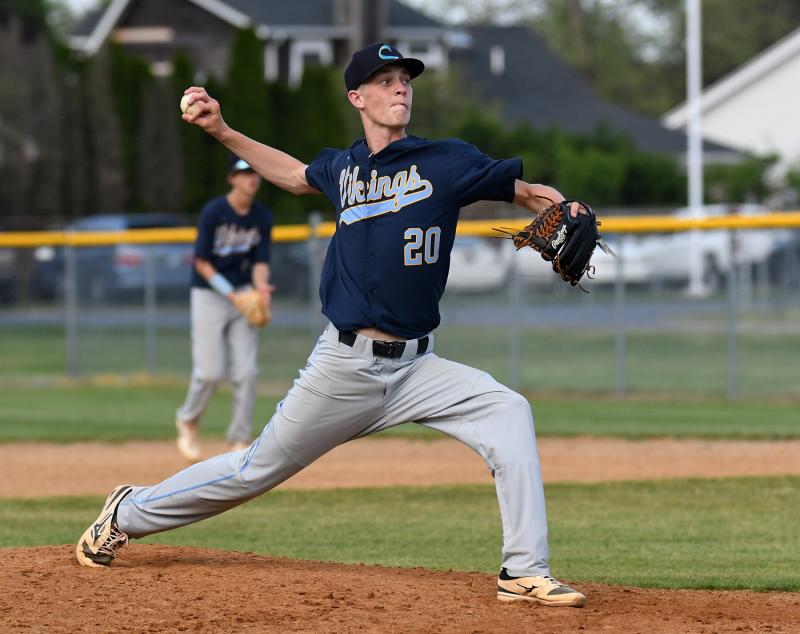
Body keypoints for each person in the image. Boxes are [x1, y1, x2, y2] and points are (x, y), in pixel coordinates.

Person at [76, 43, 587, 608]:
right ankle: (127, 510)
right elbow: (294, 176)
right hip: (344, 367)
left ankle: (523, 570)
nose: (400, 88)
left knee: (508, 411)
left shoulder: (446, 160)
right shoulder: (343, 168)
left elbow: (527, 192)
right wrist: (221, 129)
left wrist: (567, 207)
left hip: (418, 366)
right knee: (253, 470)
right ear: (357, 97)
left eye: (405, 80)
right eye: (385, 80)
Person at [174, 155, 274, 460]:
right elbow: (201, 263)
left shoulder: (261, 216)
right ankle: (188, 419)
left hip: (243, 292)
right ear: (232, 178)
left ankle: (239, 440)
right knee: (209, 373)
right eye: (244, 173)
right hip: (209, 294)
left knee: (246, 372)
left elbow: (259, 262)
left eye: (254, 173)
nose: (251, 179)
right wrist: (233, 295)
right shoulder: (214, 212)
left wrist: (260, 289)